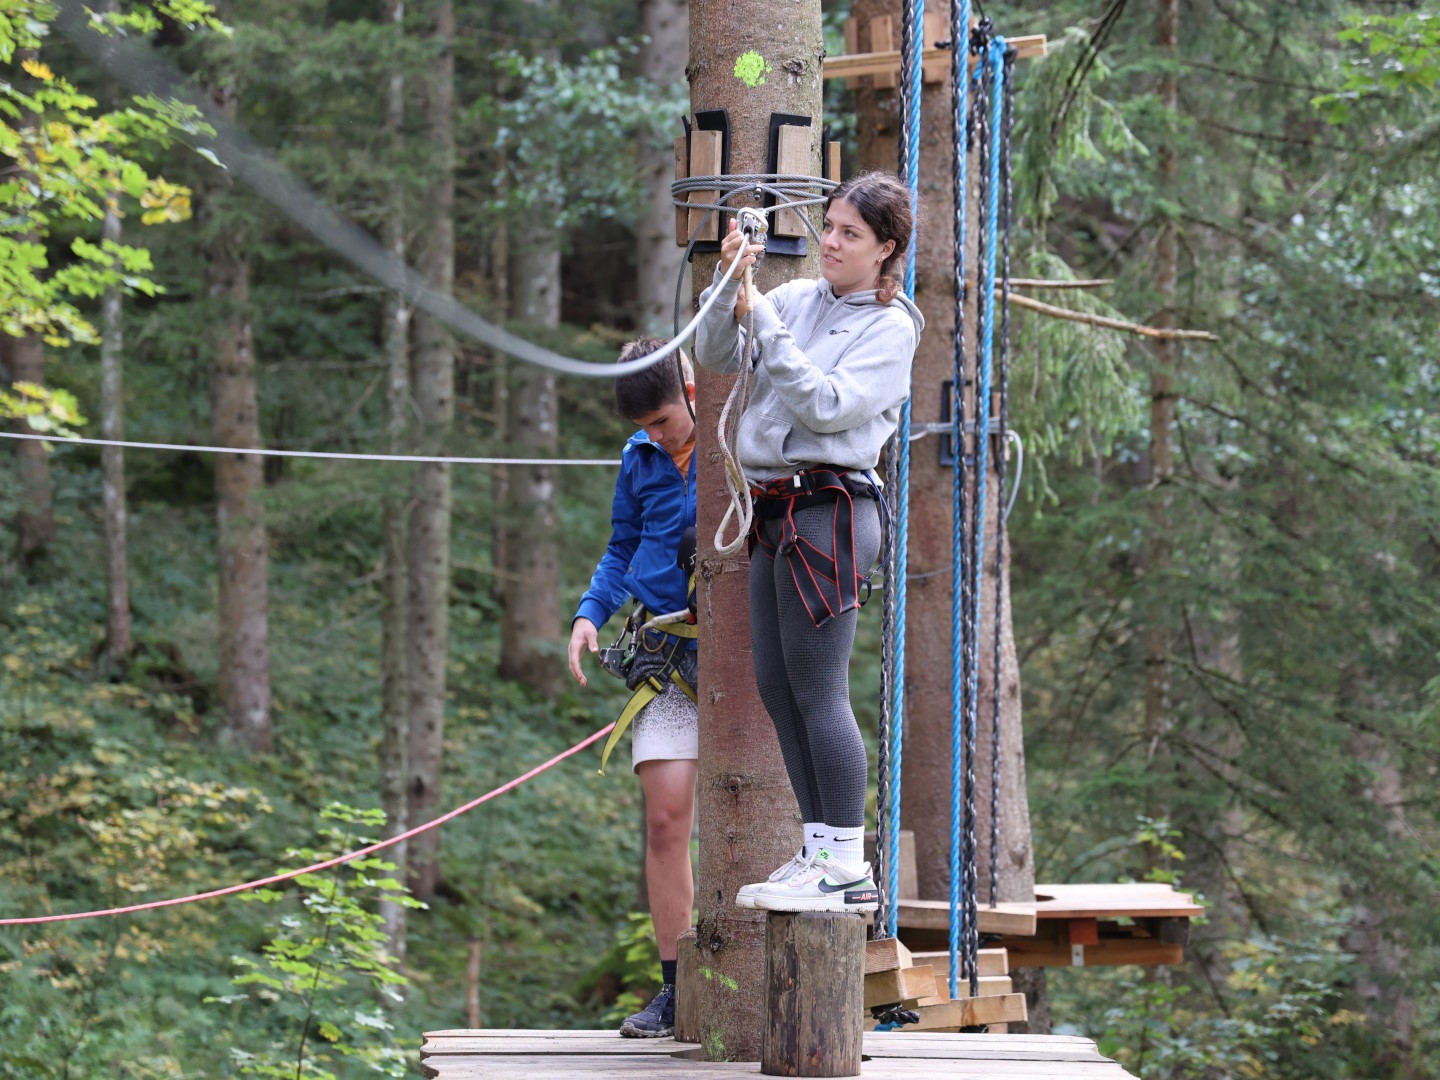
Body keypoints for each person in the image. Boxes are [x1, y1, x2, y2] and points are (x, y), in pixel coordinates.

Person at [693, 171, 922, 915]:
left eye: (849, 234)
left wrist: (764, 321)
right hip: (774, 511)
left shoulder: (891, 329)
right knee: (776, 687)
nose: (828, 241)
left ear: (886, 249)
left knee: (820, 692)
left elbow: (826, 407)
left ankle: (847, 863)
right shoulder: (792, 299)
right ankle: (821, 850)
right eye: (828, 226)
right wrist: (730, 285)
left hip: (831, 513)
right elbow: (717, 352)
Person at [568, 339, 698, 1038]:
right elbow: (622, 546)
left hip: (740, 652)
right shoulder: (638, 458)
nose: (655, 434)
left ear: (691, 388)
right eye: (644, 425)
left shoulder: (743, 438)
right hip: (665, 651)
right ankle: (676, 988)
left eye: (663, 421)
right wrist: (592, 614)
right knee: (665, 819)